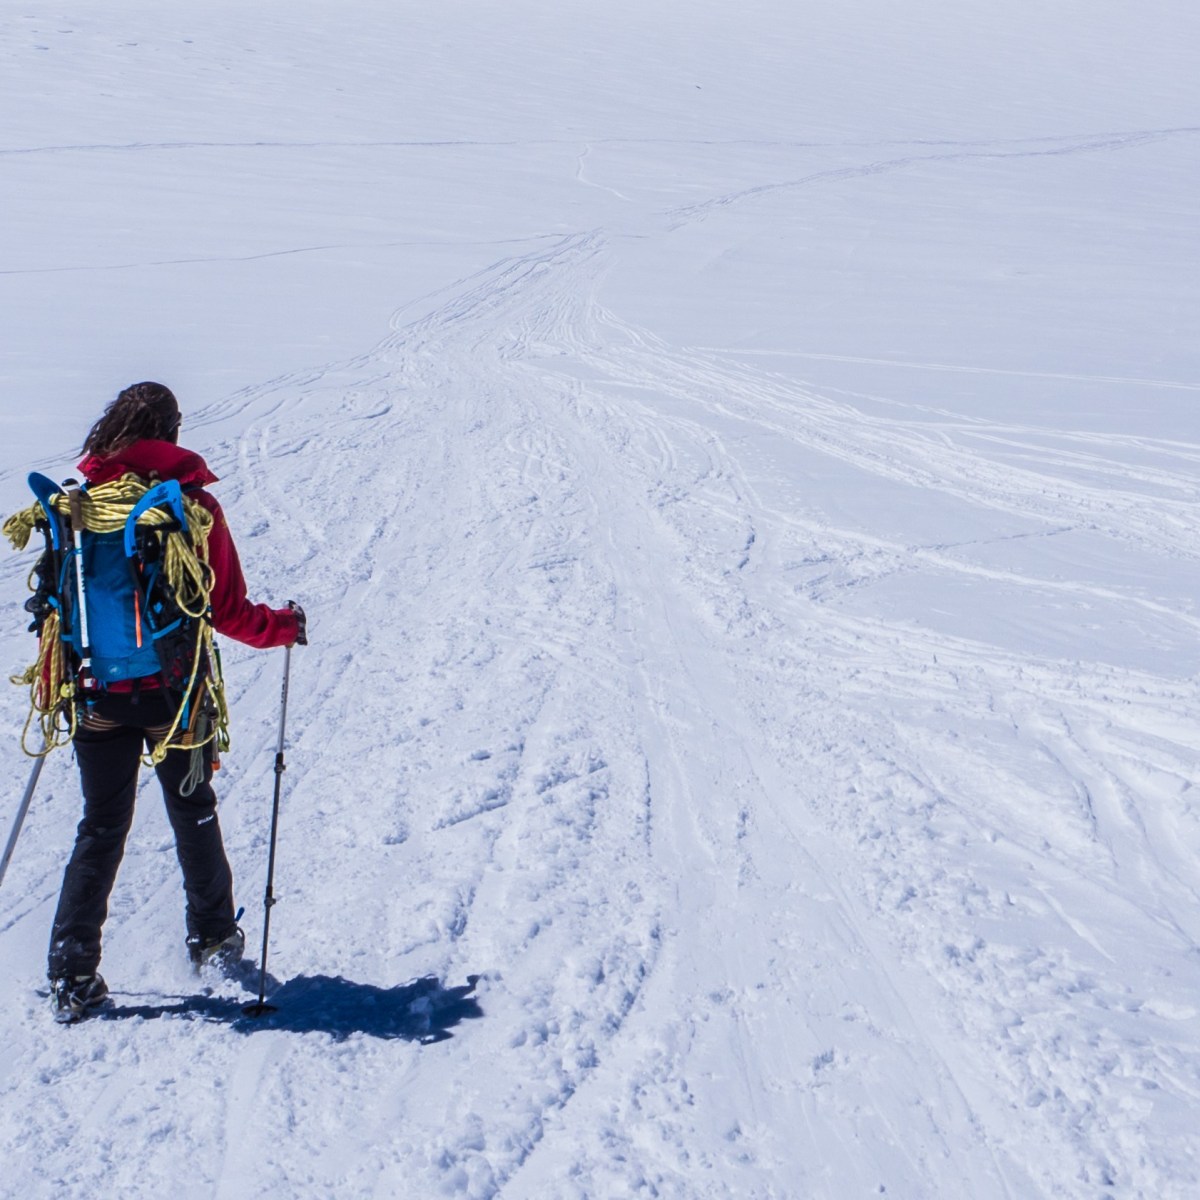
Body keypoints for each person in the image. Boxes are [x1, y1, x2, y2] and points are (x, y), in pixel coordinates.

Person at [46, 382, 305, 1021]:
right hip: (174, 693)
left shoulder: (79, 506)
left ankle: (72, 972)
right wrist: (285, 626)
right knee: (192, 810)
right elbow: (228, 610)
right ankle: (213, 936)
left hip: (96, 692)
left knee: (101, 826)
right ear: (170, 432)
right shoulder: (189, 507)